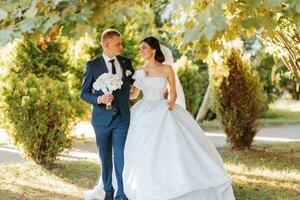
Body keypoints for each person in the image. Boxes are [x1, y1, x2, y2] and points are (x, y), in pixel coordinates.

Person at [123, 36, 235, 200]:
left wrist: (170, 104)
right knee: (144, 148)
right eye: (140, 49)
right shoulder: (140, 71)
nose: (141, 51)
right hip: (144, 111)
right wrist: (122, 87)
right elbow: (134, 95)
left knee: (174, 145)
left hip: (164, 108)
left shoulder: (167, 69)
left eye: (144, 48)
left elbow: (173, 92)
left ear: (153, 50)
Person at [81, 29, 134, 200]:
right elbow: (84, 93)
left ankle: (122, 194)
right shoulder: (92, 65)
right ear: (106, 44)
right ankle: (108, 192)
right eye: (118, 44)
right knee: (105, 158)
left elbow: (136, 86)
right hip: (101, 120)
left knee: (121, 156)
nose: (121, 46)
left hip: (122, 118)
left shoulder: (126, 63)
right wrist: (99, 99)